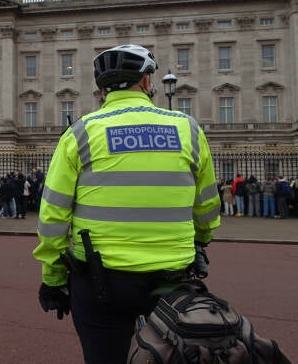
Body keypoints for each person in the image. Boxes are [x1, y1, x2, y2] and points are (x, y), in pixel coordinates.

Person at [33, 44, 221, 364]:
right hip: (173, 275)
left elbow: (52, 217)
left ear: (102, 90)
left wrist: (53, 278)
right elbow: (207, 206)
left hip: (101, 280)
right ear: (148, 82)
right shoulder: (187, 128)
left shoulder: (80, 132)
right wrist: (199, 242)